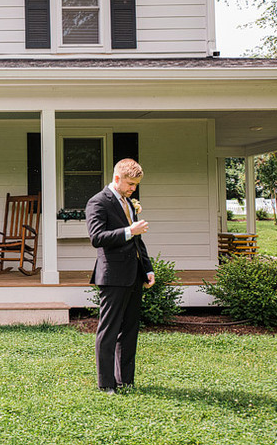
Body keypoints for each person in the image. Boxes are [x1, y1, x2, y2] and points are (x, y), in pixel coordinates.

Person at [85, 158, 156, 394]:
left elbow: (138, 240)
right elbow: (97, 238)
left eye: (136, 185)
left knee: (130, 330)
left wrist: (147, 269)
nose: (133, 188)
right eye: (130, 183)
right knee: (109, 331)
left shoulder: (128, 203)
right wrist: (129, 230)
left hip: (133, 275)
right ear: (117, 178)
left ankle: (125, 380)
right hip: (113, 275)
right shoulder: (98, 202)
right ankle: (106, 384)